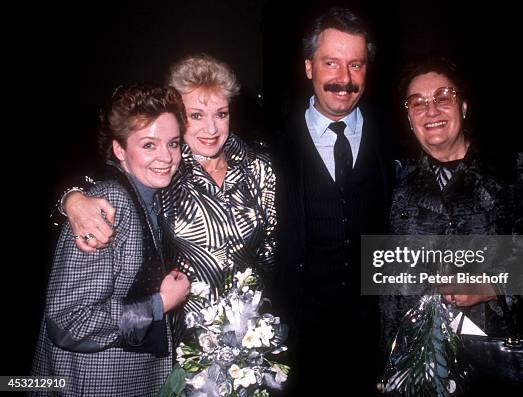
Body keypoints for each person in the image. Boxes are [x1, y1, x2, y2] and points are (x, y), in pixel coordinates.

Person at [61, 54, 277, 343]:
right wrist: (71, 199)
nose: (211, 129)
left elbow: (272, 251)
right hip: (182, 337)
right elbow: (108, 175)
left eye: (221, 114)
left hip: (250, 333)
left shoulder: (258, 165)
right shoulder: (164, 168)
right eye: (196, 115)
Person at [379, 56, 523, 393]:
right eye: (418, 103)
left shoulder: (511, 171)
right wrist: (389, 364)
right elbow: (386, 287)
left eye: (443, 97)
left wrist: (494, 287)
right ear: (409, 117)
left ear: (464, 106)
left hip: (495, 357)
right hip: (419, 364)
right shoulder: (393, 182)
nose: (432, 110)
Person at [30, 83, 191, 396]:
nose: (166, 157)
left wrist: (69, 195)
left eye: (173, 144)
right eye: (149, 145)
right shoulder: (108, 205)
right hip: (93, 384)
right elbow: (69, 320)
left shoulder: (152, 197)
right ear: (120, 150)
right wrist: (159, 304)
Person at [273, 7, 391, 396]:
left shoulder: (396, 139)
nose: (344, 79)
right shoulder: (270, 145)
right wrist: (76, 193)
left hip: (376, 341)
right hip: (297, 344)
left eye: (356, 65)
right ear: (309, 67)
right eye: (331, 63)